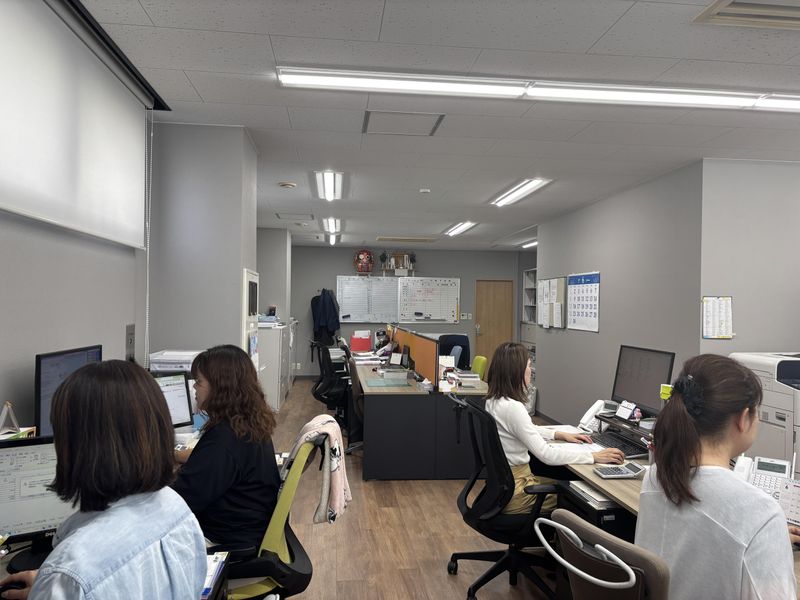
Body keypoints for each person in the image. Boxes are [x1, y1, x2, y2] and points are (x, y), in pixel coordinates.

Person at [0, 361, 206, 600]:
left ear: (78, 446)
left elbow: (81, 578)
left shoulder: (71, 574)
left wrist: (54, 585)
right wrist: (48, 586)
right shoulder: (176, 508)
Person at [635, 354, 796, 600]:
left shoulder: (657, 476)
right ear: (743, 419)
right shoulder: (761, 513)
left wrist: (765, 539)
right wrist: (766, 533)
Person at [484, 342, 624, 514]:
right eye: (528, 366)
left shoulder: (495, 401)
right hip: (518, 493)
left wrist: (557, 434)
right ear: (516, 371)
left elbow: (523, 428)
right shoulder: (513, 408)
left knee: (569, 487)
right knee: (581, 504)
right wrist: (593, 456)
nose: (531, 371)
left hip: (505, 489)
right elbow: (547, 455)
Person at [172, 344, 281, 550]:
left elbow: (180, 501)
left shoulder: (224, 440)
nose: (194, 388)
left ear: (220, 387)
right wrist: (177, 456)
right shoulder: (246, 424)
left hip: (226, 540)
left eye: (199, 382)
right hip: (249, 530)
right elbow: (215, 463)